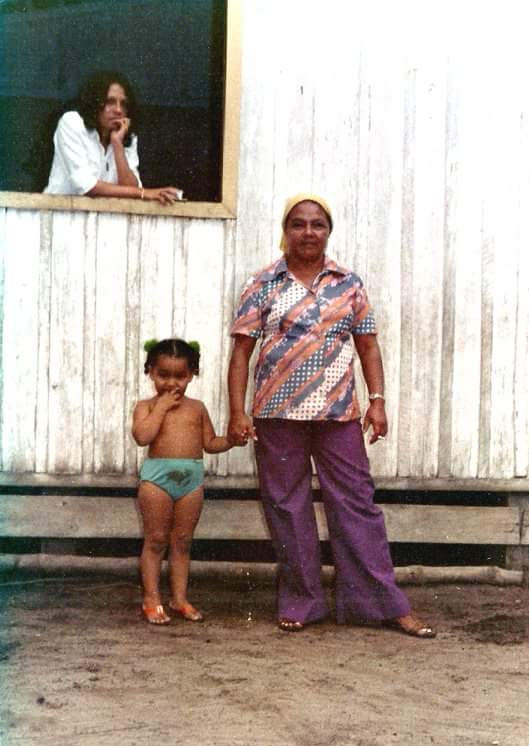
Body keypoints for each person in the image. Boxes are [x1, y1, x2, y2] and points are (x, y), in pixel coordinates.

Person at [227, 193, 436, 638]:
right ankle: (302, 601)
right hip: (277, 411)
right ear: (285, 230)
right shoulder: (263, 283)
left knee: (356, 503)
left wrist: (377, 399)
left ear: (329, 231)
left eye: (317, 224)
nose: (308, 232)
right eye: (299, 224)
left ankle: (378, 604)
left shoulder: (349, 283)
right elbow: (241, 351)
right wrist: (236, 410)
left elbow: (367, 345)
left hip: (339, 411)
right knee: (287, 506)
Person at [132, 339, 236, 625]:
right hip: (157, 480)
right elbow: (143, 436)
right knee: (155, 540)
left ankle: (179, 598)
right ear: (150, 372)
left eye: (180, 376)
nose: (171, 383)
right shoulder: (146, 406)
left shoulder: (197, 408)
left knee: (183, 542)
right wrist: (161, 408)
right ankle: (151, 599)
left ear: (191, 375)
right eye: (163, 375)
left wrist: (231, 440)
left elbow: (210, 443)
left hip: (191, 481)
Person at [44, 71, 180, 205]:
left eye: (124, 104)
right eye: (110, 102)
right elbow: (86, 185)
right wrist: (144, 193)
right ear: (95, 103)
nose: (119, 110)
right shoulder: (72, 122)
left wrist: (117, 144)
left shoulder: (126, 136)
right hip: (58, 216)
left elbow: (131, 187)